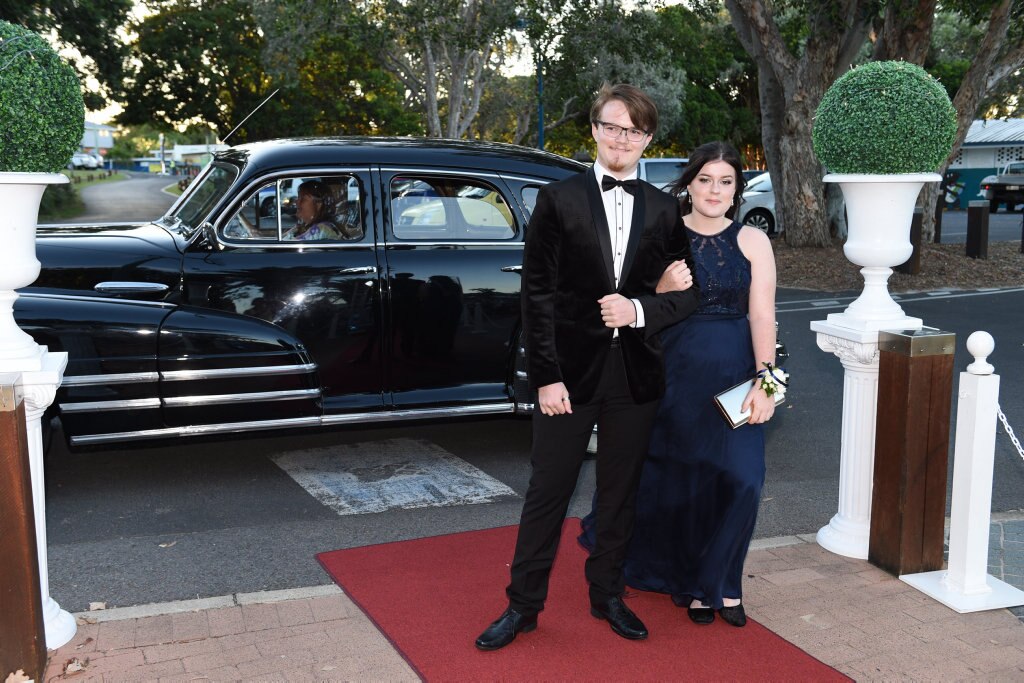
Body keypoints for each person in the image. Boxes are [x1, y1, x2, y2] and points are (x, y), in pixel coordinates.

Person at [475, 83, 699, 652]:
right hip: (568, 378)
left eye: (634, 130)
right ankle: (522, 607)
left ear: (647, 138)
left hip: (637, 377)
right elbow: (538, 297)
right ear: (595, 129)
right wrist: (546, 376)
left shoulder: (664, 207)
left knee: (619, 494)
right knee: (547, 493)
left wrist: (641, 307)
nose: (622, 138)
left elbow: (686, 296)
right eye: (612, 126)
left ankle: (607, 596)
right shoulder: (558, 200)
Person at [580, 141, 779, 628]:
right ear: (689, 183)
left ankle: (724, 583)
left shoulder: (753, 241)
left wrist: (767, 384)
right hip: (673, 374)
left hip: (736, 376)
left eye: (726, 181)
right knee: (684, 483)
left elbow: (763, 314)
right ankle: (699, 586)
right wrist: (662, 289)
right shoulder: (661, 236)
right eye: (706, 179)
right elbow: (628, 306)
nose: (715, 190)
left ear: (737, 189)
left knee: (743, 480)